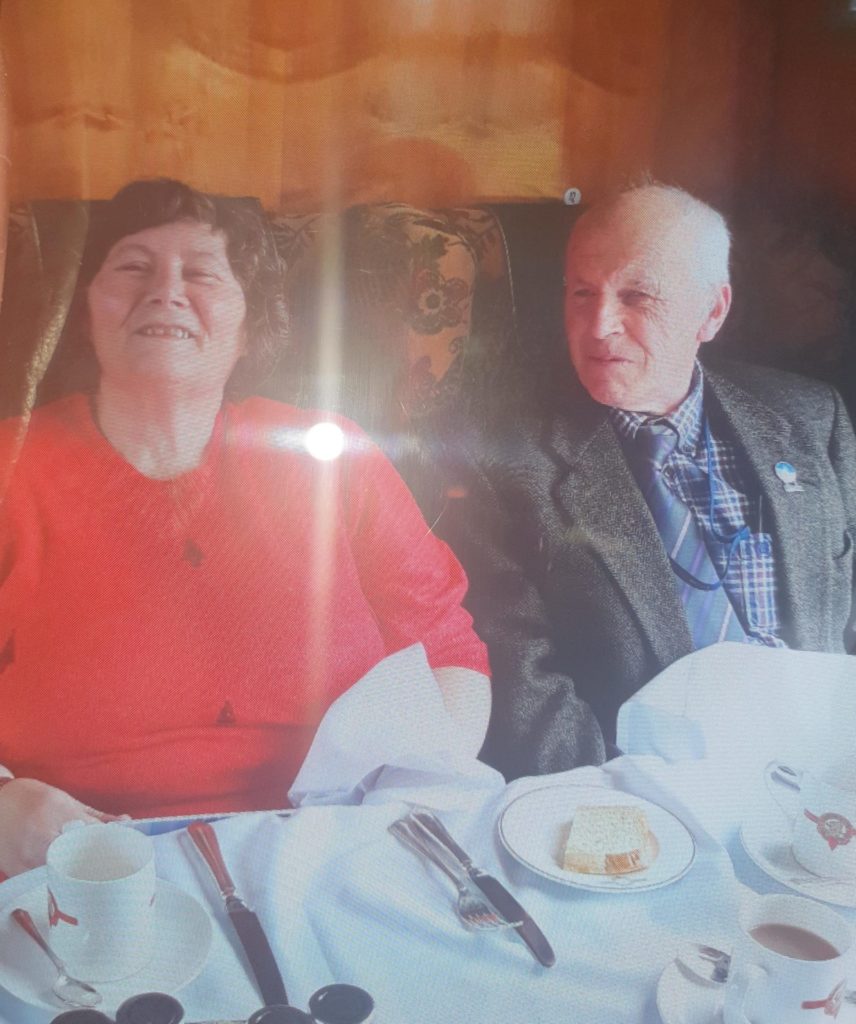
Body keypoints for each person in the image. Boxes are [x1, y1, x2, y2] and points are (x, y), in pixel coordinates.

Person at [0, 179, 491, 876]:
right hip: (73, 875)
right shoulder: (9, 466)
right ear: (87, 313)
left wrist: (401, 814)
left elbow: (449, 653)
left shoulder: (334, 456)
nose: (166, 290)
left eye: (201, 272)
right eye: (133, 266)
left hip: (325, 853)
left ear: (249, 325)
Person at [437, 183, 856, 781]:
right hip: (650, 797)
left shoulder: (813, 420)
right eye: (582, 292)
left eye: (637, 295)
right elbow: (525, 693)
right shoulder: (495, 459)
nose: (600, 324)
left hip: (824, 778)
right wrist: (627, 818)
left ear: (712, 312)